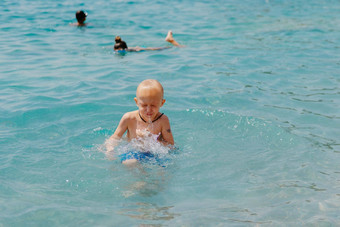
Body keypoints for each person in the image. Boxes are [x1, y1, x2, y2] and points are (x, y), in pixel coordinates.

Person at [105, 79, 174, 165]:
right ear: (137, 102)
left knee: (164, 169)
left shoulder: (163, 120)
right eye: (144, 105)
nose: (149, 110)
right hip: (133, 151)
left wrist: (151, 140)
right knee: (130, 163)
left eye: (153, 105)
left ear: (162, 103)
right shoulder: (129, 118)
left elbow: (170, 145)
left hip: (154, 154)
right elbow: (115, 137)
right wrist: (110, 149)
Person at [114, 30, 184, 52]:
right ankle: (172, 41)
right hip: (140, 48)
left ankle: (171, 41)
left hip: (142, 49)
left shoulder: (124, 50)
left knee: (162, 48)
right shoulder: (126, 48)